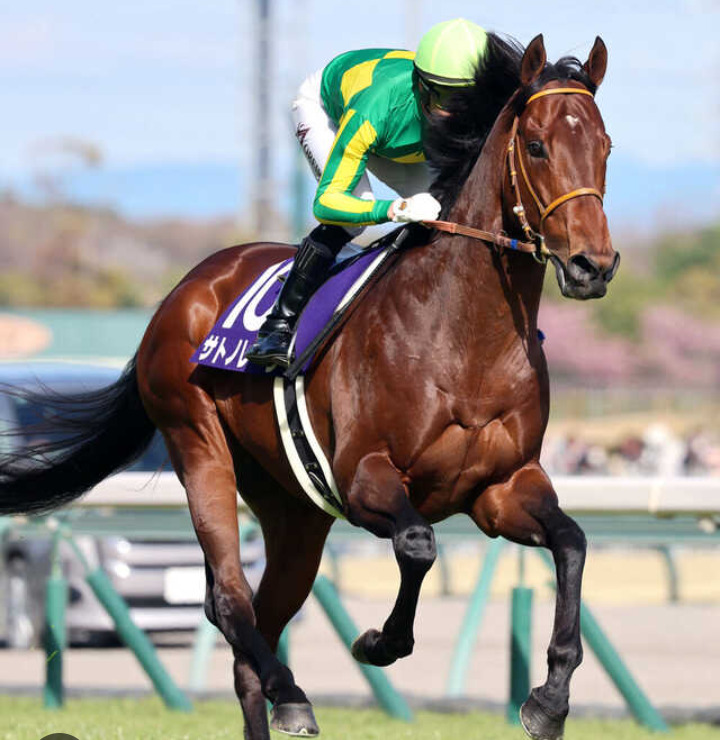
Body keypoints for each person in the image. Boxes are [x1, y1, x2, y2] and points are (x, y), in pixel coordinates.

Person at [247, 18, 490, 367]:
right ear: (421, 86)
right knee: (354, 215)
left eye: (465, 98)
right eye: (442, 96)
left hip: (398, 139)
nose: (454, 112)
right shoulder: (375, 108)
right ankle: (277, 326)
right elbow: (327, 202)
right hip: (332, 114)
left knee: (452, 213)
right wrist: (395, 209)